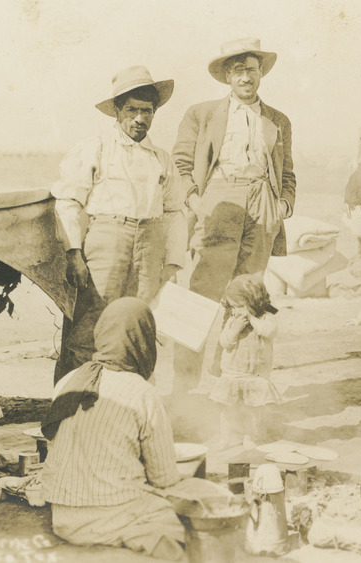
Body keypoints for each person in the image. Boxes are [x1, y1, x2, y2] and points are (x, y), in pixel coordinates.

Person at [171, 37, 296, 399]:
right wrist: (196, 202)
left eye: (251, 70)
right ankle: (183, 389)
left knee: (248, 297)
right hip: (219, 200)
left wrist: (283, 205)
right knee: (199, 296)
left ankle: (231, 381)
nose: (245, 77)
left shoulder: (278, 120)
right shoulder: (201, 113)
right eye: (238, 70)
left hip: (263, 206)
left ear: (261, 75)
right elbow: (181, 163)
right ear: (227, 75)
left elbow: (287, 172)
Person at [51, 66, 186, 381]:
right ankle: (73, 410)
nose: (140, 119)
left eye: (147, 111)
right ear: (117, 111)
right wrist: (74, 252)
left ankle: (127, 404)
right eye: (132, 110)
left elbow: (175, 212)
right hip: (105, 244)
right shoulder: (95, 148)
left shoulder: (162, 158)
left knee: (138, 323)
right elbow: (68, 201)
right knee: (89, 328)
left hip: (149, 250)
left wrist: (173, 263)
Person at [41, 298, 184, 560]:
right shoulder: (143, 394)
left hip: (63, 518)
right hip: (113, 516)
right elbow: (164, 478)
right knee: (175, 522)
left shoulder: (67, 381)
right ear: (143, 340)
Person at [208, 275, 283, 450]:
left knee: (252, 411)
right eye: (232, 307)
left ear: (253, 302)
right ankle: (225, 438)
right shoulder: (233, 321)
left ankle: (250, 437)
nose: (235, 312)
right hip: (232, 374)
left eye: (239, 307)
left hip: (254, 375)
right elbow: (224, 342)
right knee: (227, 410)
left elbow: (269, 332)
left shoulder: (266, 318)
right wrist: (235, 329)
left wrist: (251, 319)